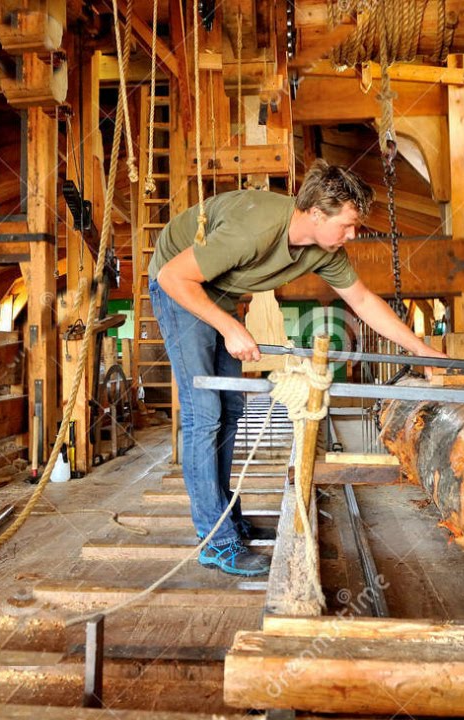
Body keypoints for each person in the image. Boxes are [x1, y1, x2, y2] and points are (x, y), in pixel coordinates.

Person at [148, 160, 447, 576]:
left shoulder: (322, 251)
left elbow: (361, 301)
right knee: (205, 414)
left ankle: (223, 517)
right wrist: (230, 326)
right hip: (180, 284)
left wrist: (420, 349)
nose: (352, 235)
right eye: (347, 225)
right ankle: (215, 542)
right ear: (316, 214)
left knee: (231, 410)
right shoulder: (256, 229)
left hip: (220, 292)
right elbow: (172, 277)